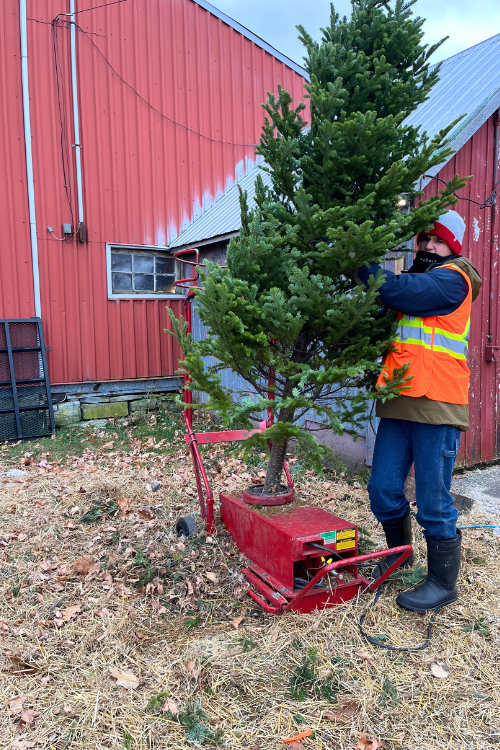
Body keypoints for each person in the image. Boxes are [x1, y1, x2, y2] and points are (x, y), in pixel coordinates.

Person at [356, 210, 482, 612]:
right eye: (424, 239)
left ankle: (443, 584)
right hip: (398, 401)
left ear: (453, 247)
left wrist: (355, 260)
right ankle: (400, 556)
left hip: (438, 404)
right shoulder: (415, 277)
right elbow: (386, 310)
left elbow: (397, 292)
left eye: (438, 241)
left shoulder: (454, 278)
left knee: (432, 499)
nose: (428, 246)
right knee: (383, 490)